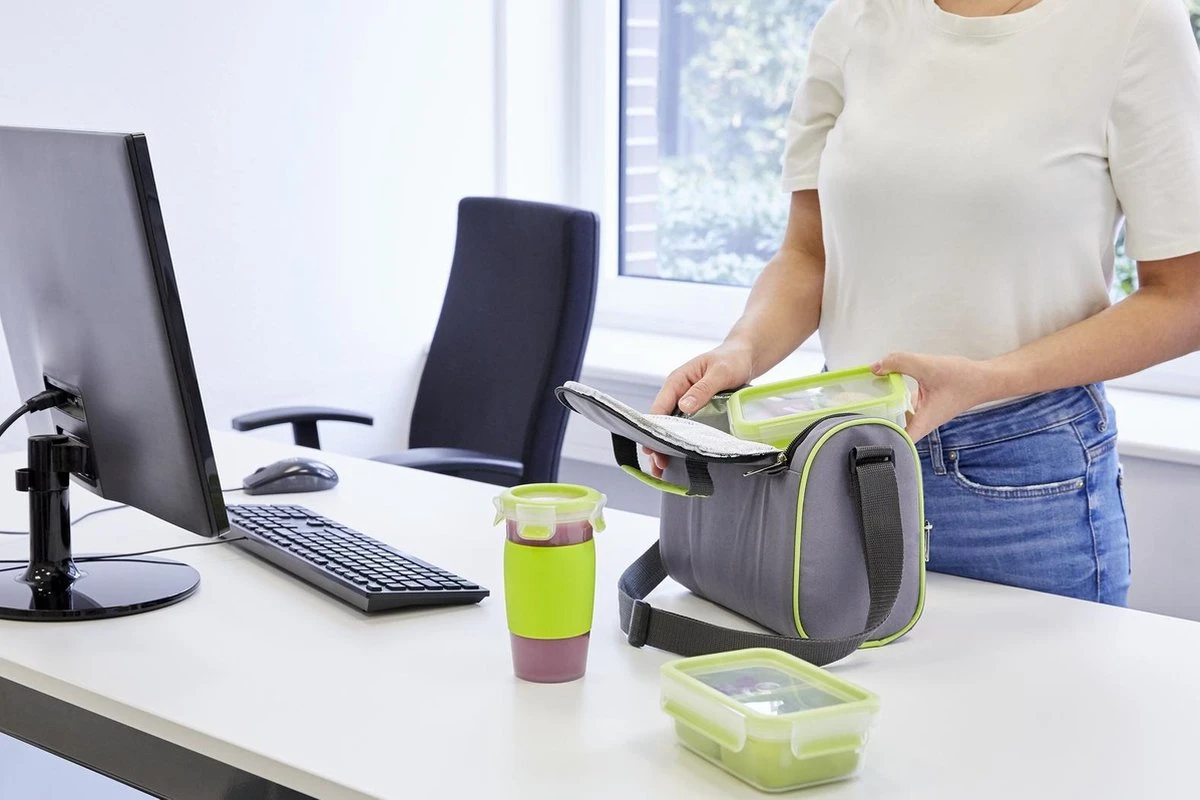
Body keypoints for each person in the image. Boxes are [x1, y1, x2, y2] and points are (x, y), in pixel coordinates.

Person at [647, 0, 1200, 606]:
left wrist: (990, 379)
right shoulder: (854, 19)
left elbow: (1185, 297)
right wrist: (742, 350)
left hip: (1024, 481)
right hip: (847, 457)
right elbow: (809, 254)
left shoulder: (1134, 22)